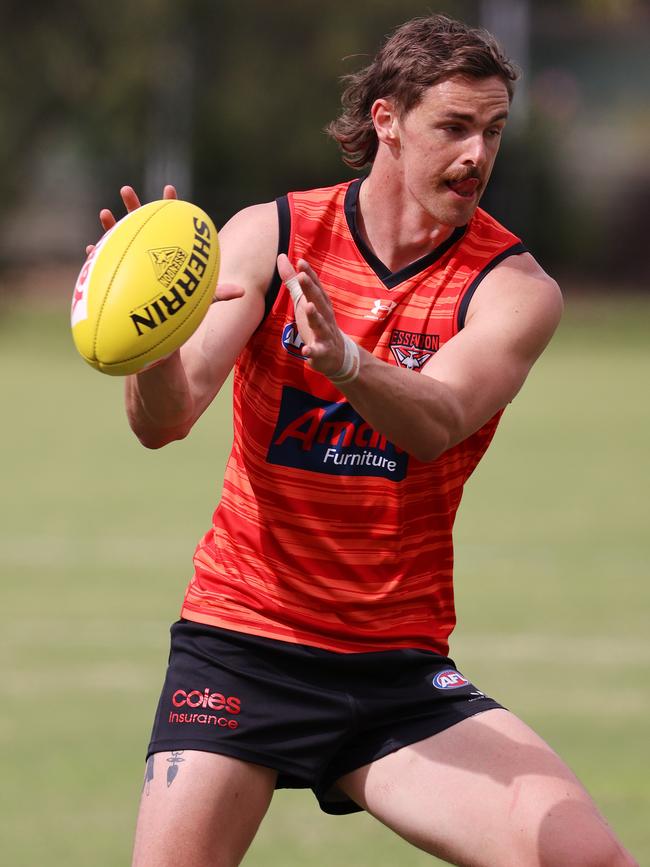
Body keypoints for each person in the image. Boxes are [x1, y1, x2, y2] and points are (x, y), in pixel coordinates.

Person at [94, 14, 636, 867]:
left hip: (394, 667)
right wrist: (152, 343)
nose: (476, 155)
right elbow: (162, 422)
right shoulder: (269, 234)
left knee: (585, 859)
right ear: (386, 120)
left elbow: (438, 421)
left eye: (492, 131)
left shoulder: (514, 288)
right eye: (453, 126)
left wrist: (343, 358)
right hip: (244, 642)